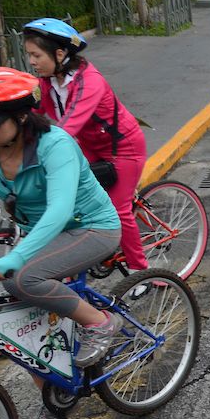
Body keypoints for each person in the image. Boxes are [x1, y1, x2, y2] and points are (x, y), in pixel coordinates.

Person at [0, 67, 123, 419]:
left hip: (91, 228)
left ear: (21, 116)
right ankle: (53, 397)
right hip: (42, 235)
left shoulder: (55, 145)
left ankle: (100, 322)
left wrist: (13, 258)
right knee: (15, 315)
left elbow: (59, 210)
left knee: (24, 279)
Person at [22, 18, 149, 273]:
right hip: (89, 145)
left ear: (59, 54)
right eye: (29, 55)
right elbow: (27, 111)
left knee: (117, 210)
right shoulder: (48, 81)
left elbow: (69, 125)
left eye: (36, 55)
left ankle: (141, 271)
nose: (32, 62)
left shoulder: (89, 81)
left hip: (123, 147)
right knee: (75, 201)